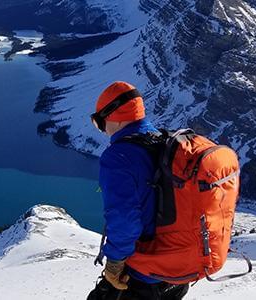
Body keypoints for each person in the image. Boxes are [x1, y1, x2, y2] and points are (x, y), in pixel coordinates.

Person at [86, 81, 189, 300]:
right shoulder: (165, 143)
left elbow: (124, 218)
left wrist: (114, 263)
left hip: (145, 273)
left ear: (113, 116)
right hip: (179, 269)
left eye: (99, 122)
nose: (102, 130)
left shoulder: (119, 157)